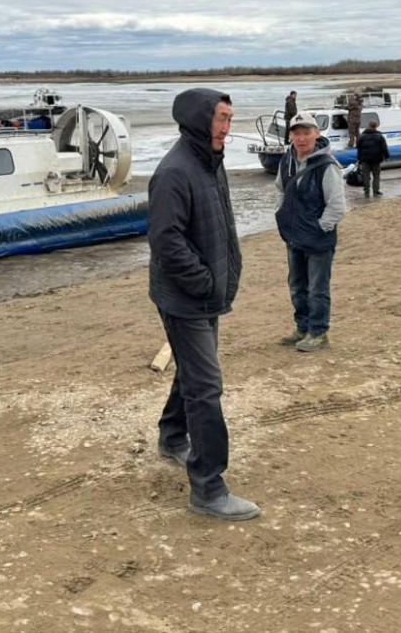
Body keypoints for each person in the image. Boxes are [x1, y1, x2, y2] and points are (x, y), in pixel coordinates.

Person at [148, 89, 257, 522]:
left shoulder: (210, 162)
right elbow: (165, 242)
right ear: (199, 120)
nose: (227, 129)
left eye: (231, 119)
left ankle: (173, 436)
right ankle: (208, 487)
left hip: (207, 294)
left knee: (196, 371)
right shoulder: (174, 171)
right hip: (185, 297)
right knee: (206, 387)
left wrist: (223, 279)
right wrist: (205, 282)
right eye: (221, 119)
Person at [276, 113, 346, 352]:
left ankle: (318, 332)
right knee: (297, 286)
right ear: (291, 136)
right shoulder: (286, 161)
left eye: (307, 133)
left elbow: (337, 205)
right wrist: (282, 215)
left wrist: (319, 228)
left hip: (318, 240)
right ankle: (302, 328)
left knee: (317, 288)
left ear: (317, 134)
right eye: (297, 133)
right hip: (293, 237)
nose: (302, 138)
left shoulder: (327, 166)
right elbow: (280, 190)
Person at [354, 119, 389, 198]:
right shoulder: (380, 137)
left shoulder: (362, 137)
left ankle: (366, 192)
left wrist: (359, 158)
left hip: (365, 160)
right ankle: (376, 192)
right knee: (376, 175)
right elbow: (384, 148)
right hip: (376, 159)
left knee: (366, 176)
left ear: (369, 126)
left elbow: (358, 148)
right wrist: (387, 157)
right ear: (376, 126)